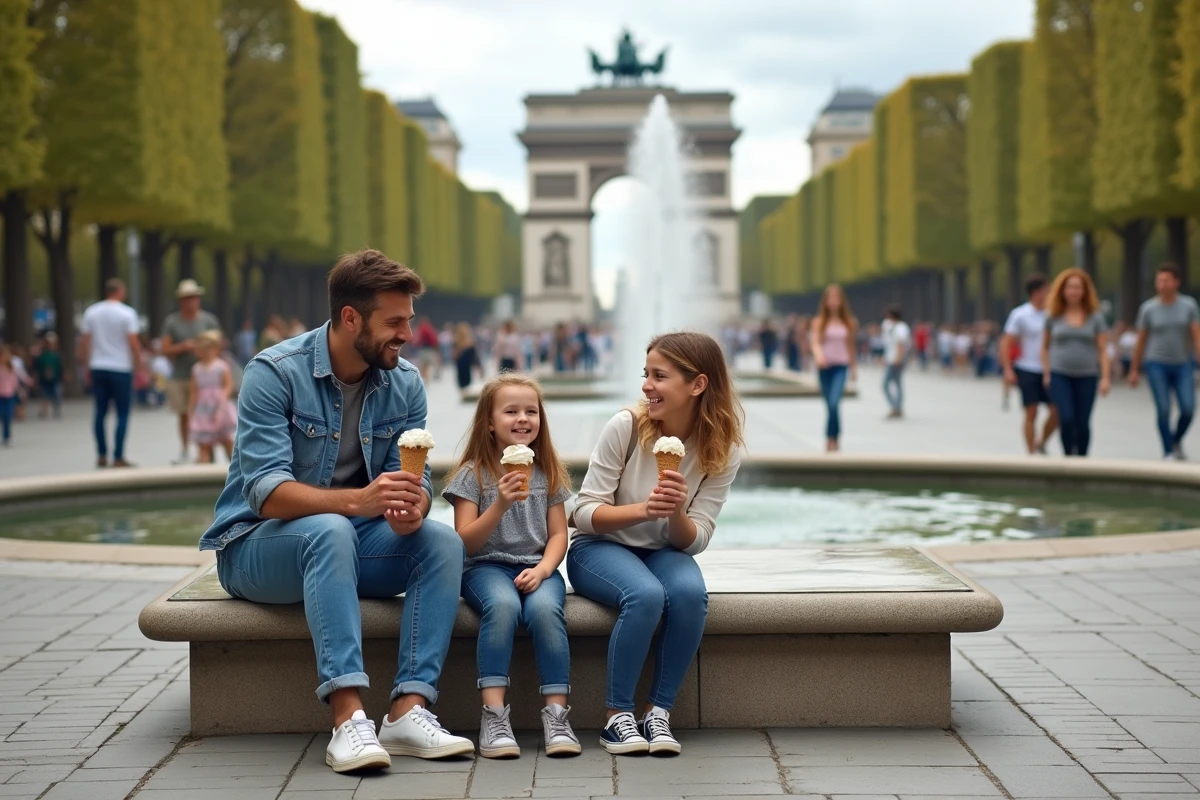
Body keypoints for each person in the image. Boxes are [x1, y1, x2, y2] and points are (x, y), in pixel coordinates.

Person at [202, 250, 474, 773]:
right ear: (351, 318)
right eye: (394, 323)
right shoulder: (274, 373)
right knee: (330, 530)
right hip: (255, 547)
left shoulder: (405, 382)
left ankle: (408, 710)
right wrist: (359, 501)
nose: (407, 334)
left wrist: (412, 507)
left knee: (442, 542)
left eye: (409, 321)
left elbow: (410, 483)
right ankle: (348, 719)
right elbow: (264, 491)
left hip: (347, 543)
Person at [567, 332, 744, 756]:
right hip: (599, 547)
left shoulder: (723, 449)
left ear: (697, 384)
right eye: (645, 374)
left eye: (659, 376)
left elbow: (696, 538)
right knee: (644, 595)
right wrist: (645, 510)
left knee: (689, 595)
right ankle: (616, 717)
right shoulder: (626, 426)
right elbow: (583, 511)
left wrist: (676, 511)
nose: (647, 385)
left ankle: (657, 711)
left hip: (665, 551)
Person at [442, 373, 580, 759]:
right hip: (484, 567)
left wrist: (544, 570)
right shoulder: (473, 474)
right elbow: (464, 542)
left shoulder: (548, 472)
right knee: (502, 607)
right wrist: (499, 504)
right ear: (489, 422)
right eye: (511, 411)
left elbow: (558, 535)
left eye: (531, 411)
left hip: (538, 566)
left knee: (545, 611)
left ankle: (557, 716)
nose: (523, 418)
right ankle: (494, 715)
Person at [1129, 262, 1200, 460]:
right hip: (1156, 363)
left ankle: (1176, 439)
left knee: (1188, 408)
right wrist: (1134, 369)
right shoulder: (1148, 308)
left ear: (1176, 282)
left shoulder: (1188, 306)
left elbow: (1196, 335)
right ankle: (1168, 450)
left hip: (1183, 363)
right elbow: (1141, 341)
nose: (1162, 284)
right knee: (1164, 408)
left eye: (1167, 280)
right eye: (1159, 280)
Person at [1041, 268, 1110, 457]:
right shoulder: (1053, 316)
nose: (1073, 291)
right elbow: (1045, 347)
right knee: (1066, 418)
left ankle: (1082, 458)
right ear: (1062, 290)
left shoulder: (1095, 317)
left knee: (1082, 422)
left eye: (1078, 287)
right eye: (1070, 287)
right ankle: (1068, 456)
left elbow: (1102, 349)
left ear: (1085, 291)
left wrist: (1105, 378)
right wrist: (1046, 372)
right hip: (1060, 373)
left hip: (1087, 375)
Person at [80, 278, 142, 468]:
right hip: (121, 367)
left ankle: (101, 454)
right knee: (122, 413)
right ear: (120, 292)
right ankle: (118, 455)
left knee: (100, 412)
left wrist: (86, 365)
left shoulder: (91, 312)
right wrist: (139, 365)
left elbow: (85, 342)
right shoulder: (127, 313)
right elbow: (133, 342)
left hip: (98, 366)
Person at [161, 279, 220, 465]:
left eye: (194, 297)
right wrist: (182, 347)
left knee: (207, 412)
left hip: (205, 376)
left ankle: (206, 449)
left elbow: (219, 344)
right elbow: (165, 348)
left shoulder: (208, 320)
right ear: (181, 300)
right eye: (187, 298)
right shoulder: (172, 322)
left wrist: (204, 350)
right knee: (184, 414)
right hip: (181, 375)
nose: (191, 301)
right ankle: (185, 448)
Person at [1001, 274, 1059, 455]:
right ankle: (1030, 452)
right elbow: (1006, 343)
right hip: (1027, 367)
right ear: (1036, 292)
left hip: (1051, 368)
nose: (1049, 293)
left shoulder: (1054, 313)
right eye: (1046, 290)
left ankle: (1042, 441)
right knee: (1031, 411)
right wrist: (1008, 369)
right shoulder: (1020, 314)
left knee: (1057, 411)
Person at [810, 284, 858, 452]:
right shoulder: (819, 322)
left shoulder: (849, 322)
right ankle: (834, 437)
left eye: (836, 298)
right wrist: (819, 356)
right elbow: (815, 343)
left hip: (841, 366)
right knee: (829, 405)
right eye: (830, 298)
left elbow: (850, 346)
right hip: (824, 367)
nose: (833, 301)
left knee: (834, 402)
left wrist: (853, 368)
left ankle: (831, 437)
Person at [188, 330, 238, 464]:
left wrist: (223, 397)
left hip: (219, 407)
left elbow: (228, 384)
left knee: (227, 441)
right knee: (204, 444)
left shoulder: (221, 366)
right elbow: (194, 391)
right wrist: (191, 410)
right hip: (203, 409)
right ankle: (203, 468)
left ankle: (236, 467)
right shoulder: (196, 368)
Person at [881, 305, 911, 419]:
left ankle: (895, 407)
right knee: (897, 383)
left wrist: (898, 358)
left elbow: (901, 344)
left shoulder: (901, 327)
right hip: (890, 358)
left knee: (887, 384)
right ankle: (897, 407)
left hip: (896, 359)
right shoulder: (888, 325)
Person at [0, 345, 31, 447]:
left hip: (9, 394)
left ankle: (7, 436)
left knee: (7, 416)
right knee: (2, 415)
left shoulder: (11, 367)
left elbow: (16, 379)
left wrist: (20, 389)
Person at [33, 332, 63, 419]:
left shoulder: (56, 355)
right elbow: (37, 366)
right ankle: (44, 410)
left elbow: (60, 366)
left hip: (55, 378)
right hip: (44, 378)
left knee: (56, 394)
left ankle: (56, 410)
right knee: (44, 395)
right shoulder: (42, 355)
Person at [453, 323, 482, 399]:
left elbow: (474, 355)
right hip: (462, 364)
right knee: (463, 380)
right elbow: (455, 355)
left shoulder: (469, 342)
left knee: (465, 380)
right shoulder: (457, 342)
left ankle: (465, 394)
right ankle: (465, 394)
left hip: (466, 364)